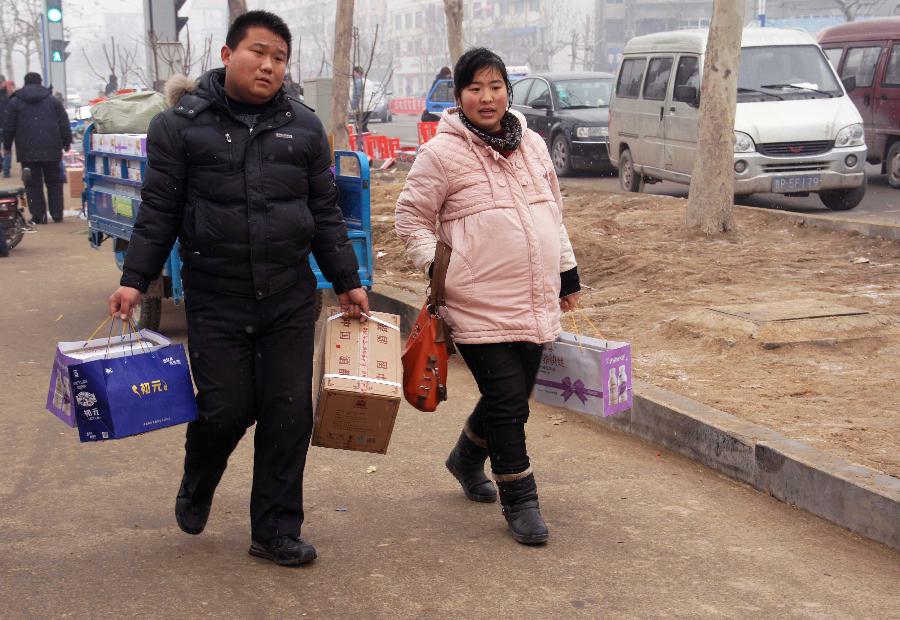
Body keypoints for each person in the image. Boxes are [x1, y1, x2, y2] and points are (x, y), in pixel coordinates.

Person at [107, 10, 369, 566]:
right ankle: (199, 478)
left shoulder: (302, 128)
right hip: (217, 295)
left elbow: (323, 212)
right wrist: (135, 280)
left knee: (289, 412)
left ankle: (275, 530)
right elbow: (159, 211)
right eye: (258, 52)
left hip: (289, 296)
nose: (269, 65)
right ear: (228, 56)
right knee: (226, 410)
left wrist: (348, 281)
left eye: (279, 57)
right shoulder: (180, 127)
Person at [395, 48, 581, 545]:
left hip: (534, 296)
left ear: (507, 91)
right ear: (458, 96)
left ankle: (464, 458)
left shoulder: (536, 145)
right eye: (475, 88)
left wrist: (567, 273)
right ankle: (521, 500)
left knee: (512, 398)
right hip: (474, 301)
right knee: (505, 401)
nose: (486, 96)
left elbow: (552, 214)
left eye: (495, 86)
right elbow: (410, 219)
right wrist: (441, 269)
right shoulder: (442, 152)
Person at [3, 73, 71, 224]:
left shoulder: (15, 102)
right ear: (40, 83)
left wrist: (6, 146)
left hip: (27, 150)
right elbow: (64, 123)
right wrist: (67, 142)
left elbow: (9, 127)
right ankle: (57, 214)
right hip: (52, 148)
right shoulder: (53, 101)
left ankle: (39, 216)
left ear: (25, 83)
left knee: (32, 183)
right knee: (54, 182)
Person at [0, 76, 11, 178]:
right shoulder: (9, 96)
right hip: (7, 126)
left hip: (6, 125)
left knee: (7, 149)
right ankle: (6, 170)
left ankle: (5, 168)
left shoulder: (8, 96)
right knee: (7, 149)